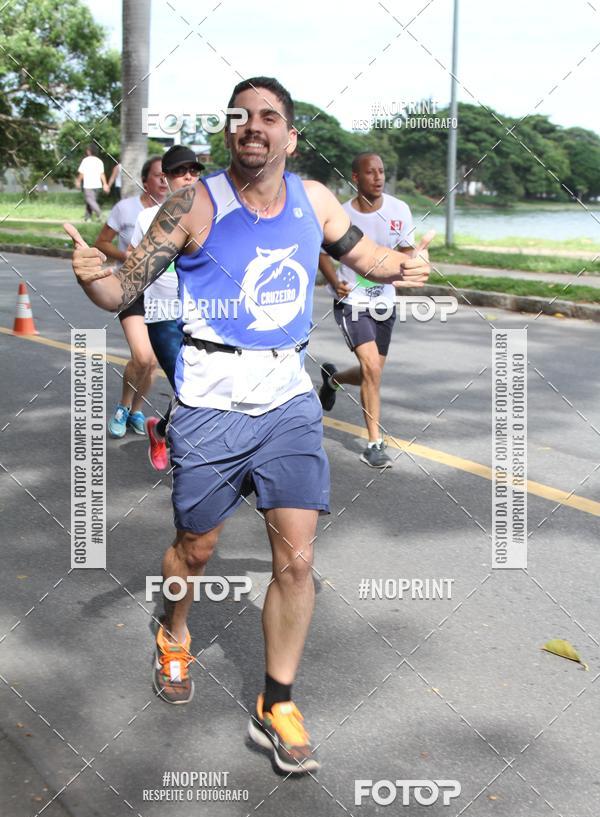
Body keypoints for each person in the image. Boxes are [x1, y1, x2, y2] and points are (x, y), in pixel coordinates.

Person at [64, 76, 432, 774]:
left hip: (288, 400)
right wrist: (91, 276)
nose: (254, 127)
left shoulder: (315, 199)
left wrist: (406, 264)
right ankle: (175, 633)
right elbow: (123, 287)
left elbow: (367, 256)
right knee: (195, 549)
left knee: (296, 560)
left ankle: (277, 702)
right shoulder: (192, 202)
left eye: (269, 117)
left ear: (290, 137)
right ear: (230, 133)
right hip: (209, 398)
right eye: (242, 117)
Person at [318, 152, 416, 468]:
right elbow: (323, 253)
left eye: (382, 171)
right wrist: (335, 281)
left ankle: (332, 380)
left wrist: (410, 266)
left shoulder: (400, 210)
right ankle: (374, 443)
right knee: (372, 367)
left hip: (384, 303)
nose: (378, 177)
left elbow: (406, 253)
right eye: (370, 172)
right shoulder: (342, 216)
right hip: (352, 303)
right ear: (355, 178)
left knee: (370, 373)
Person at [128, 145, 204, 470]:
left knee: (201, 388)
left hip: (203, 316)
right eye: (178, 171)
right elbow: (134, 262)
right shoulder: (148, 218)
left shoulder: (211, 215)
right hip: (161, 315)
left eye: (193, 170)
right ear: (166, 178)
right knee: (188, 388)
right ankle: (193, 461)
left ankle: (159, 430)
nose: (187, 176)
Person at [95, 157, 168, 438]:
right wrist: (126, 255)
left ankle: (137, 410)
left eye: (167, 175)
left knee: (152, 362)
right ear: (146, 179)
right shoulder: (126, 209)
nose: (164, 180)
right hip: (131, 288)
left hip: (164, 293)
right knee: (142, 356)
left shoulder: (176, 212)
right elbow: (101, 242)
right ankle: (123, 406)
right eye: (158, 175)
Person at [75, 145, 108, 221]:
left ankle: (100, 214)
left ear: (89, 151)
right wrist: (105, 184)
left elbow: (82, 173)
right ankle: (87, 218)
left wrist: (78, 181)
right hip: (97, 185)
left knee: (90, 200)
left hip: (89, 184)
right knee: (90, 201)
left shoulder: (86, 160)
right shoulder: (99, 161)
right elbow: (102, 174)